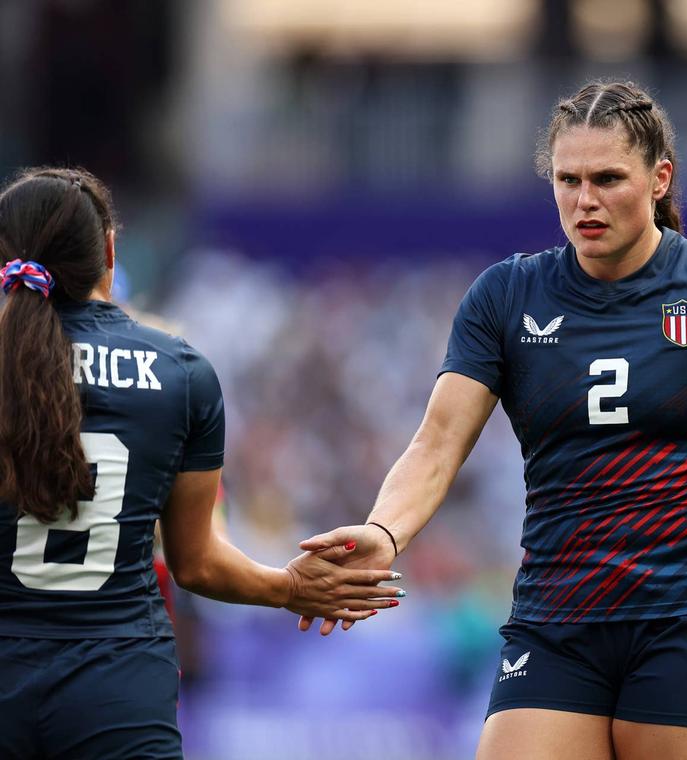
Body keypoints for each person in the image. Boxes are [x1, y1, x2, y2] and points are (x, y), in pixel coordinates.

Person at [299, 81, 687, 760]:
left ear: (660, 179)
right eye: (567, 180)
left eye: (607, 179)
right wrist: (383, 531)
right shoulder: (507, 296)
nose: (584, 200)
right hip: (556, 618)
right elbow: (436, 444)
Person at [0, 167, 404, 760]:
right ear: (110, 251)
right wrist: (289, 586)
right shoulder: (179, 372)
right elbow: (196, 564)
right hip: (116, 683)